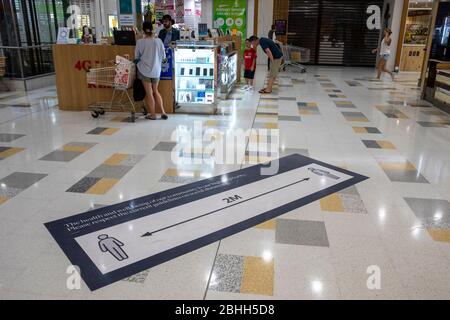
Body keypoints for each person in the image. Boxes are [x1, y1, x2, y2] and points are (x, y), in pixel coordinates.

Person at [135, 21, 168, 120]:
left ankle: (153, 115)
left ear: (143, 30)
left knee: (149, 94)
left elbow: (136, 57)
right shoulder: (159, 41)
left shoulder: (140, 42)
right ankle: (163, 112)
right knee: (156, 91)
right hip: (156, 70)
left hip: (144, 70)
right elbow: (164, 57)